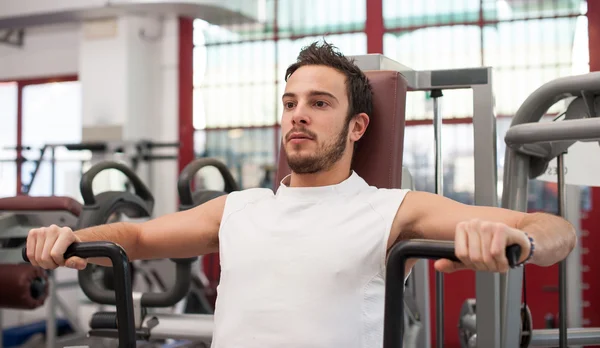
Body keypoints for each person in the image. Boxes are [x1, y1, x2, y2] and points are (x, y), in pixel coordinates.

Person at [26, 41, 576, 348]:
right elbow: (136, 235)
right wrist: (70, 237)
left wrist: (513, 240)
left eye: (319, 103)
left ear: (357, 126)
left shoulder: (391, 210)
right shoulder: (239, 207)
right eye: (290, 103)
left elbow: (555, 231)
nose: (298, 116)